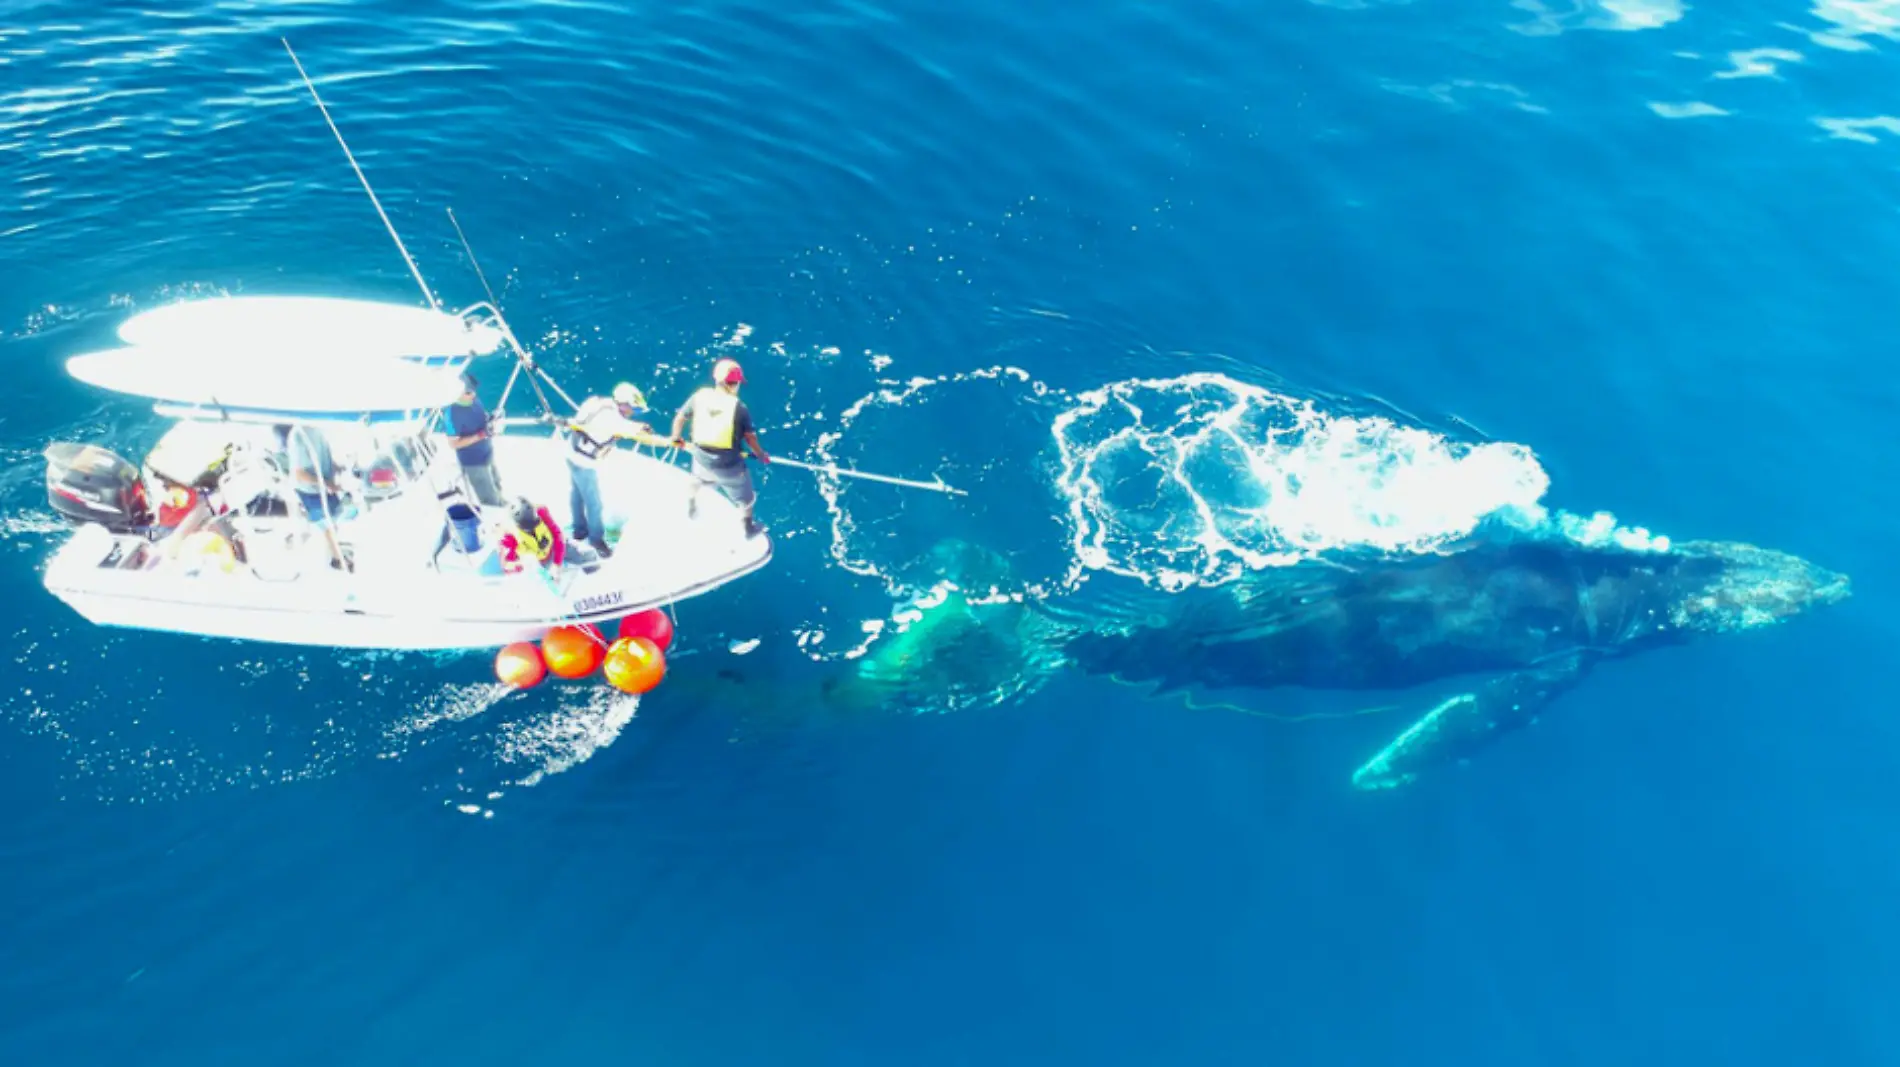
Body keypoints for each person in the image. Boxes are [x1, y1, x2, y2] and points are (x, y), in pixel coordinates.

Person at [564, 381, 672, 558]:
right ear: (623, 404)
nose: (633, 413)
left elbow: (622, 426)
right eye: (634, 409)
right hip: (583, 462)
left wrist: (637, 426)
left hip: (570, 453)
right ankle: (596, 540)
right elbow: (636, 435)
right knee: (594, 504)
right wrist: (669, 442)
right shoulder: (613, 420)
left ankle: (579, 530)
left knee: (576, 494)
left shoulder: (597, 402)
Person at [671, 357, 769, 538]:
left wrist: (676, 438)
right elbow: (750, 437)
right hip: (728, 465)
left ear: (717, 379)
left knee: (699, 479)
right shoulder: (739, 407)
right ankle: (748, 529)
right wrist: (761, 454)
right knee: (746, 499)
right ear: (736, 384)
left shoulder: (698, 396)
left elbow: (680, 418)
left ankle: (691, 503)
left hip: (700, 457)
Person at [281, 423, 349, 571]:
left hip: (323, 485)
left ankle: (334, 552)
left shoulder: (318, 428)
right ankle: (338, 560)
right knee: (327, 524)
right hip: (309, 489)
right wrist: (326, 483)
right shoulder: (299, 436)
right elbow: (299, 473)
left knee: (335, 519)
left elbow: (322, 457)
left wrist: (337, 467)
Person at [446, 371, 504, 507]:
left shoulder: (474, 399)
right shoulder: (451, 414)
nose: (472, 394)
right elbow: (453, 444)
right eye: (467, 392)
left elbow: (481, 417)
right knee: (489, 499)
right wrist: (481, 435)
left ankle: (502, 503)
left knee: (497, 483)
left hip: (487, 453)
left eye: (472, 390)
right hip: (474, 463)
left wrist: (491, 419)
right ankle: (496, 518)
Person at [498, 496, 565, 575]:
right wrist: (522, 564)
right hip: (538, 564)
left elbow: (558, 535)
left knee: (581, 554)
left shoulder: (540, 511)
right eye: (528, 529)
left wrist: (557, 564)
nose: (531, 529)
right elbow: (506, 565)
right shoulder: (508, 536)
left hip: (553, 548)